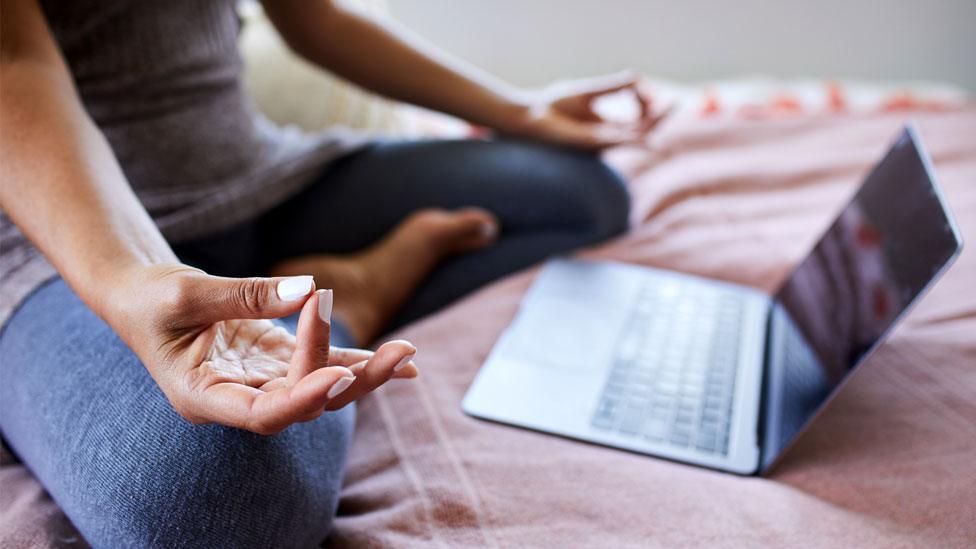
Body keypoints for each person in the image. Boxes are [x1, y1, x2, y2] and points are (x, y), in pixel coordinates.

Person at [0, 0, 665, 546]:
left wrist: (519, 111)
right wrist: (131, 277)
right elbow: (14, 61)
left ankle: (306, 290)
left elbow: (313, 16)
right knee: (208, 514)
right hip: (58, 252)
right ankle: (352, 298)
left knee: (582, 197)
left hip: (263, 182)